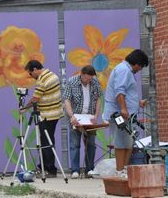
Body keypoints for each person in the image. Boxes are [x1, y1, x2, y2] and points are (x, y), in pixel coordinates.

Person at [103, 49, 149, 178]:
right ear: (137, 64)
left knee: (128, 143)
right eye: (140, 67)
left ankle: (124, 169)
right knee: (121, 143)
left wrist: (137, 102)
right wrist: (123, 109)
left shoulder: (126, 70)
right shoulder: (123, 70)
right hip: (120, 114)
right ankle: (119, 170)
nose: (139, 70)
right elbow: (120, 91)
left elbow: (126, 93)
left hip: (128, 114)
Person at [21, 60, 64, 177]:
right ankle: (44, 167)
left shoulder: (42, 80)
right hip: (54, 113)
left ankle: (49, 169)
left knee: (46, 142)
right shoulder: (51, 75)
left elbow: (35, 98)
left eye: (30, 73)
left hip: (47, 114)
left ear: (35, 69)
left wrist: (24, 108)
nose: (31, 76)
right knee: (48, 140)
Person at [63, 65, 103, 179]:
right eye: (86, 79)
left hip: (90, 117)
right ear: (82, 74)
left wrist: (96, 115)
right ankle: (75, 170)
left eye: (90, 79)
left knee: (91, 144)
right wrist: (71, 116)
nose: (88, 81)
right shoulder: (72, 81)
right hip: (76, 117)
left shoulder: (95, 82)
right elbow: (66, 100)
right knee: (75, 144)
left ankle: (89, 169)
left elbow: (99, 98)